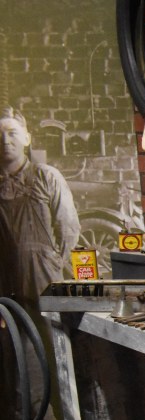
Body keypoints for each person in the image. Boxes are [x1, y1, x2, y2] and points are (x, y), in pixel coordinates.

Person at [0, 106, 81, 304]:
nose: (5, 141)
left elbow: (69, 229)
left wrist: (52, 263)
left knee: (46, 324)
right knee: (9, 323)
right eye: (0, 135)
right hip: (3, 280)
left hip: (43, 279)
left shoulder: (46, 176)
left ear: (26, 139)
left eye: (12, 133)